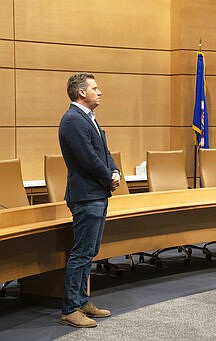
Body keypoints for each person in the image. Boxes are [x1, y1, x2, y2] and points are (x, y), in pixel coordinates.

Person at [58, 73, 122, 327]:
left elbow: (103, 152)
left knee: (90, 251)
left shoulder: (88, 118)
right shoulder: (73, 120)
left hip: (96, 193)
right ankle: (70, 308)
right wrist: (108, 177)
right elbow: (87, 158)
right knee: (82, 252)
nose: (100, 91)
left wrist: (115, 172)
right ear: (81, 92)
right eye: (95, 88)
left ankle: (82, 301)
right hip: (86, 195)